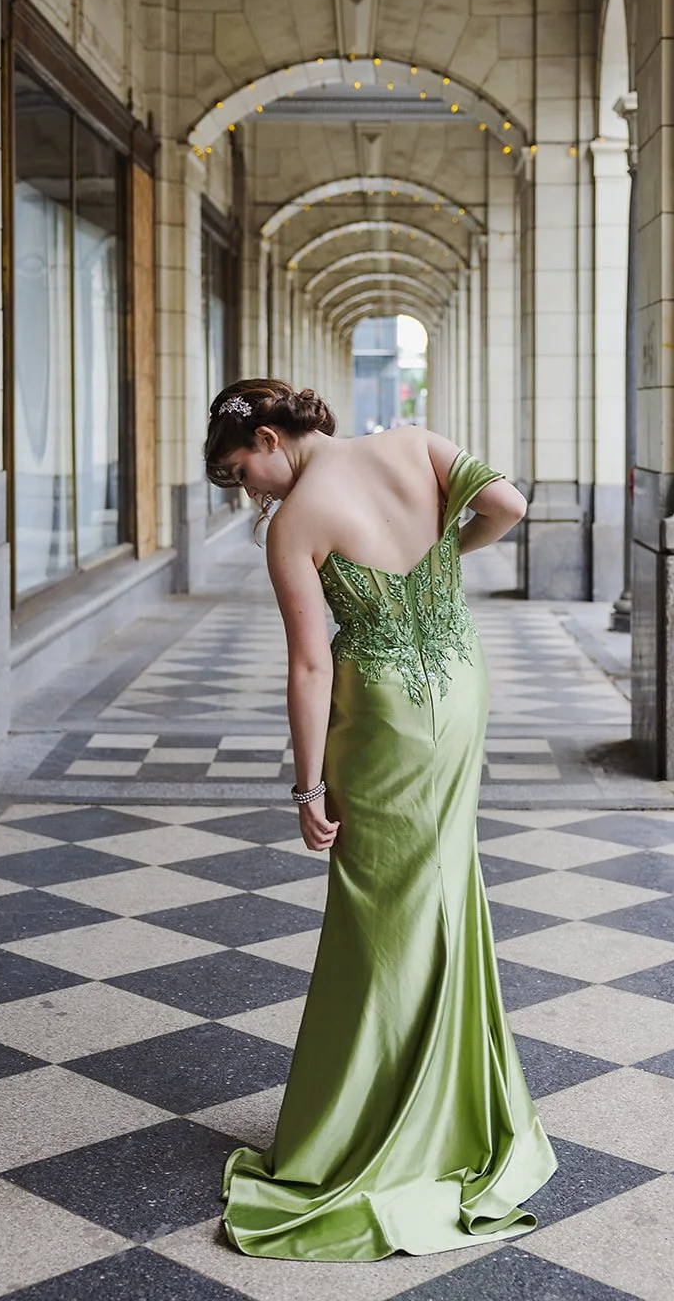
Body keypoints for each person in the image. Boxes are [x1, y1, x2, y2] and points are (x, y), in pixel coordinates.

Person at [202, 378, 557, 1260]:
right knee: (439, 882)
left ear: (271, 439)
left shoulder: (295, 523)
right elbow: (509, 506)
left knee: (377, 910)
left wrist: (307, 789)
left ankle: (382, 1123)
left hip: (385, 715)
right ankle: (453, 1105)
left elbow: (310, 668)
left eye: (242, 472)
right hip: (460, 683)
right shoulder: (414, 443)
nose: (250, 493)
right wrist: (444, 556)